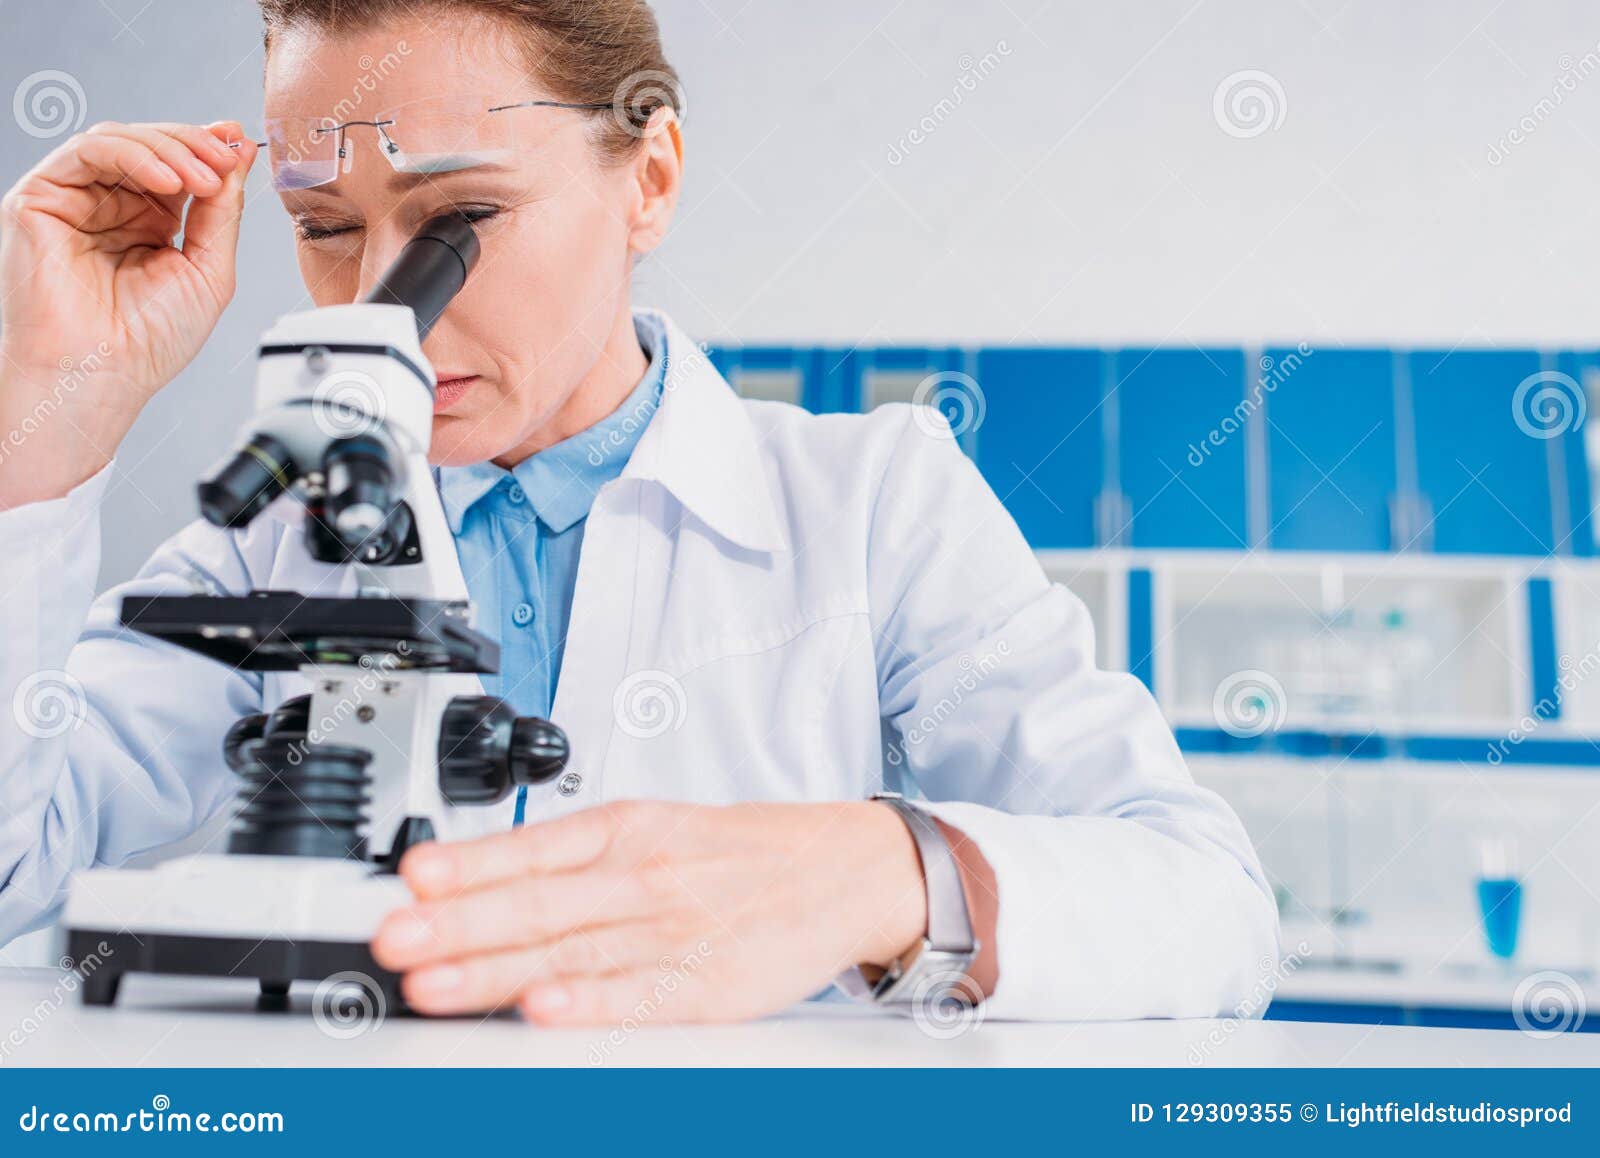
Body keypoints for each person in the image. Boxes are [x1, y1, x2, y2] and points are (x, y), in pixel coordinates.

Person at [0, 0, 1276, 1026]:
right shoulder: (270, 538)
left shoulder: (871, 502)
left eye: (461, 219)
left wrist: (872, 874)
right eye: (323, 226)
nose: (381, 306)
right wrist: (41, 420)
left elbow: (1210, 909)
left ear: (647, 177)